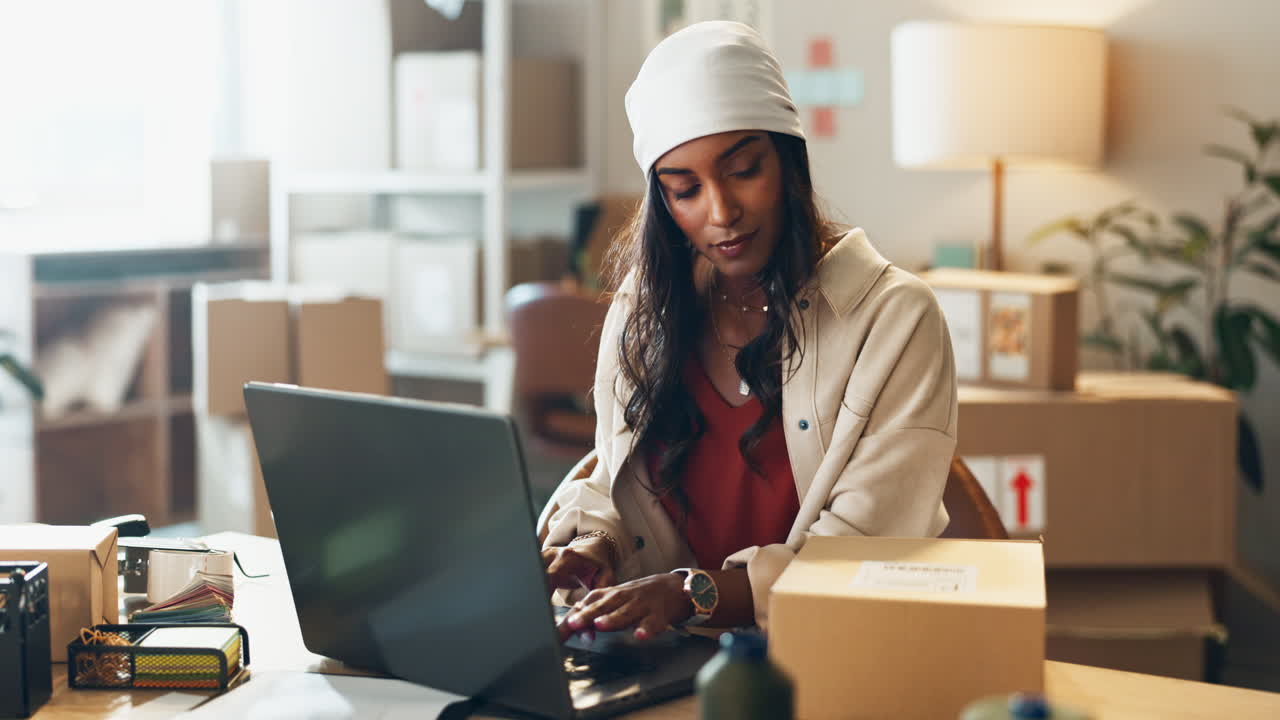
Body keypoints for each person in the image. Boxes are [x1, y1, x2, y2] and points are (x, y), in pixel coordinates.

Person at [536, 21, 957, 640]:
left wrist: (692, 595)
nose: (721, 212)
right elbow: (611, 472)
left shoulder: (894, 319)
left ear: (787, 160)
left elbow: (865, 554)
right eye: (685, 190)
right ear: (663, 202)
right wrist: (594, 542)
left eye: (743, 169)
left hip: (833, 656)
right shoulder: (645, 309)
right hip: (667, 661)